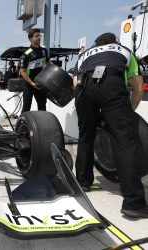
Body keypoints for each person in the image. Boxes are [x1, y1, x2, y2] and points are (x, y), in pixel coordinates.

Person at [73, 32, 147, 218]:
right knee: (125, 143)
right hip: (112, 87)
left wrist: (93, 112)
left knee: (85, 136)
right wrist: (127, 113)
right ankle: (133, 203)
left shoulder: (85, 54)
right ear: (115, 42)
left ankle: (82, 182)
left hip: (85, 89)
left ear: (96, 44)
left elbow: (75, 83)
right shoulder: (124, 50)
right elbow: (138, 87)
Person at [19, 28, 51, 112]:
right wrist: (31, 83)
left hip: (40, 82)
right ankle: (22, 124)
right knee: (26, 106)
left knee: (42, 105)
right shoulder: (26, 54)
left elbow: (48, 62)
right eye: (36, 36)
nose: (39, 38)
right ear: (30, 39)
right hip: (28, 84)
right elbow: (22, 71)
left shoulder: (44, 50)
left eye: (39, 36)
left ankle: (42, 124)